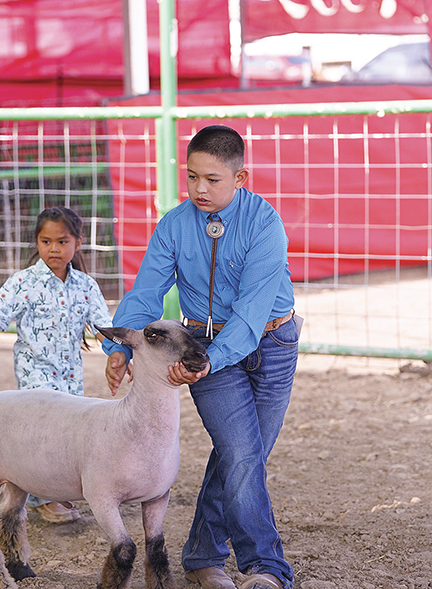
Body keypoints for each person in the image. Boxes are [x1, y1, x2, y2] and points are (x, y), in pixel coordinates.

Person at [103, 125, 300, 589]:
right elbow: (146, 291)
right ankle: (266, 569)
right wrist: (119, 346)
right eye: (191, 177)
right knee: (242, 455)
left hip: (272, 342)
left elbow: (252, 312)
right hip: (201, 346)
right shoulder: (173, 223)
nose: (199, 189)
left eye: (212, 179)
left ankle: (202, 557)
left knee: (241, 456)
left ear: (241, 177)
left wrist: (216, 356)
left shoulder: (265, 223)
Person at [0, 206, 113, 523]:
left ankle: (52, 493)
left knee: (66, 433)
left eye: (62, 242)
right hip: (34, 373)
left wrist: (121, 356)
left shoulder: (86, 287)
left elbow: (104, 330)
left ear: (78, 242)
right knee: (41, 433)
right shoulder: (23, 282)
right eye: (46, 241)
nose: (54, 249)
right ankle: (44, 497)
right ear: (37, 242)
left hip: (70, 378)